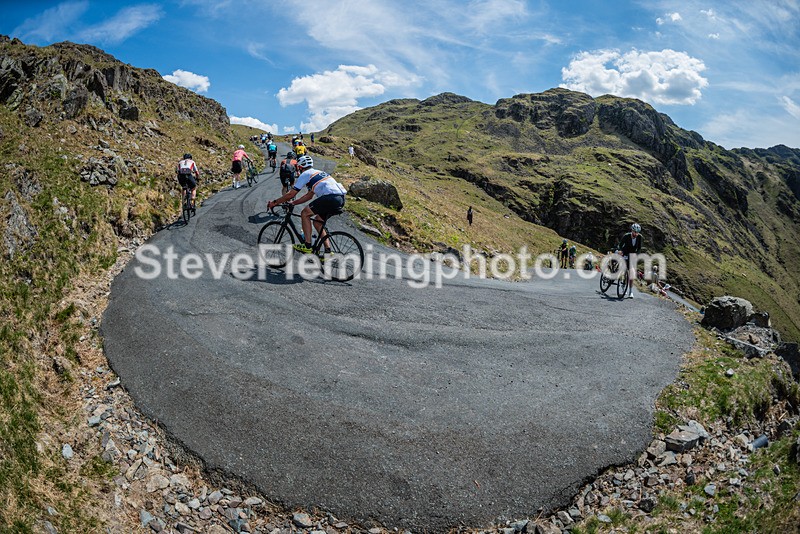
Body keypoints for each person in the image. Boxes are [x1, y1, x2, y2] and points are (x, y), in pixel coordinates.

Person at [267, 155, 347, 254]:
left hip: (330, 197)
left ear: (300, 167)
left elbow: (292, 194)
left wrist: (274, 203)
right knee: (318, 222)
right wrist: (293, 203)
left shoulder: (305, 174)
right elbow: (309, 196)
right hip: (340, 199)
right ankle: (328, 251)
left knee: (305, 213)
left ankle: (307, 245)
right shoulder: (319, 173)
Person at [616, 223, 643, 298]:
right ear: (632, 230)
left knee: (631, 273)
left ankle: (630, 291)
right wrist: (620, 250)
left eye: (637, 232)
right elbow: (620, 245)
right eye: (635, 232)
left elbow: (639, 248)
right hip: (625, 252)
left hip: (633, 254)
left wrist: (636, 255)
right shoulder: (626, 236)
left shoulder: (639, 237)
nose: (636, 234)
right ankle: (620, 277)